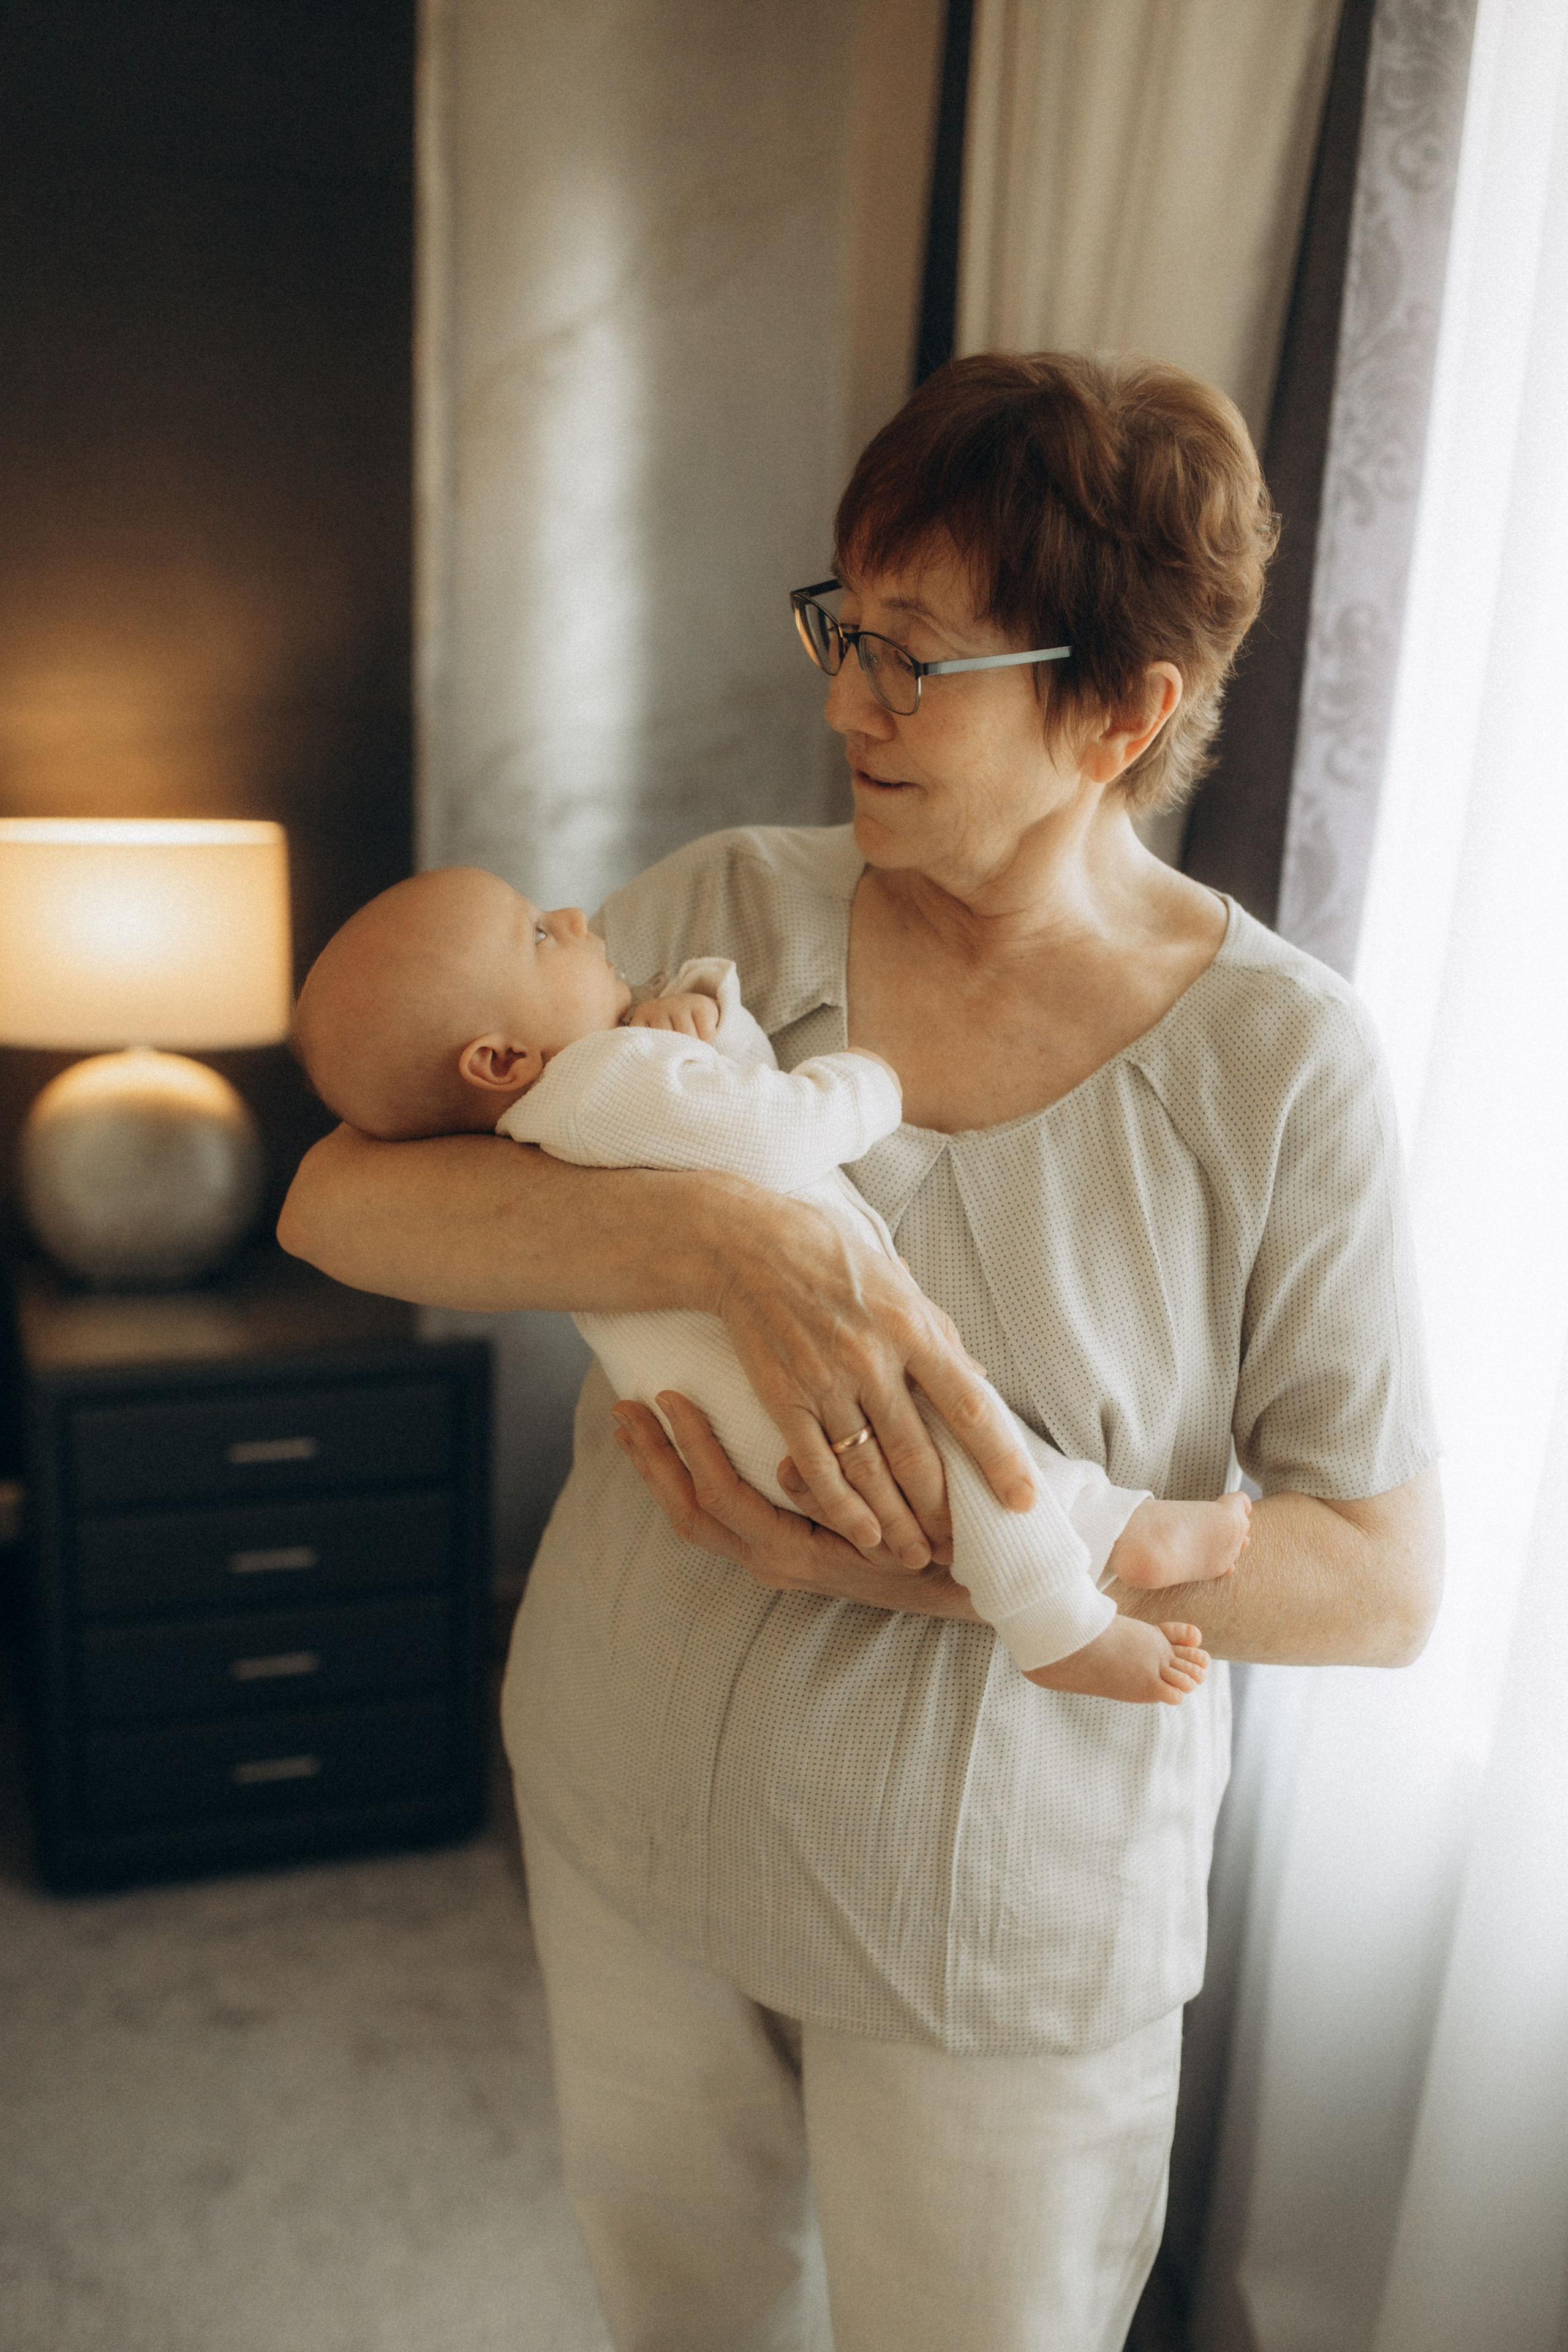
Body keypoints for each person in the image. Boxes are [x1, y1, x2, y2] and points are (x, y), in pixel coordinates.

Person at [278, 351, 1443, 2352]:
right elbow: (341, 1201)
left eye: (917, 659)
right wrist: (710, 1232)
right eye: (845, 629)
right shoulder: (723, 905)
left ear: (1124, 710)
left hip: (989, 1923)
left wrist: (900, 1562)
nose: (844, 701)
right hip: (628, 1818)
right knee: (684, 2316)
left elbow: (1382, 1583)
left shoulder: (1281, 1063)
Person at [291, 866, 1251, 1698]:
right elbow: (773, 1134)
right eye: (540, 935)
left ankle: (1123, 1527)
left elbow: (712, 1111)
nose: (579, 920)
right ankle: (1058, 1625)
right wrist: (870, 1082)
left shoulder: (565, 1110)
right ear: (499, 1059)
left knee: (975, 1452)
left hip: (741, 1429)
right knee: (964, 1444)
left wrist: (697, 1024)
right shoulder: (602, 1080)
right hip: (779, 1409)